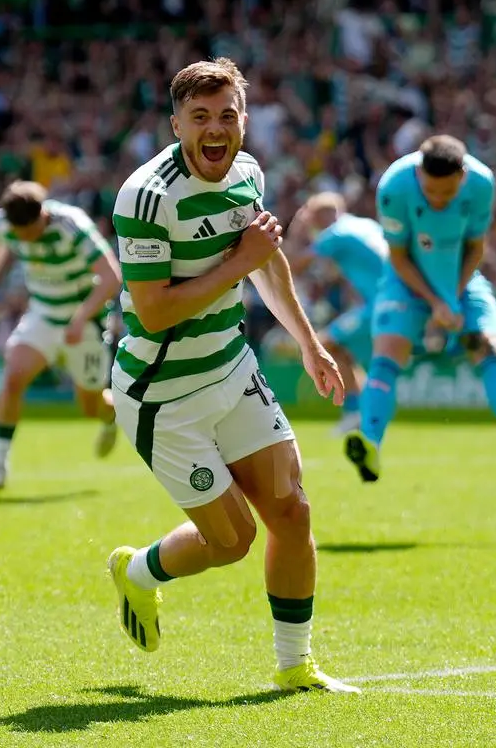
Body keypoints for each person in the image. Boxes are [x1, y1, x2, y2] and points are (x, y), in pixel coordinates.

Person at [106, 57, 359, 693]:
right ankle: (138, 571)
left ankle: (294, 666)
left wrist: (308, 343)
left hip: (233, 371)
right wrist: (241, 260)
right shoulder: (147, 195)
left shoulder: (248, 173)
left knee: (292, 513)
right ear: (176, 124)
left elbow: (266, 265)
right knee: (234, 540)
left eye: (227, 116)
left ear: (242, 121)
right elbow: (157, 309)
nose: (215, 129)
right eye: (200, 118)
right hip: (163, 399)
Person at [345, 134, 496, 482]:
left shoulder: (482, 183)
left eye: (447, 192)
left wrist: (452, 297)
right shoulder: (393, 186)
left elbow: (476, 246)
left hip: (462, 277)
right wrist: (434, 303)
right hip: (406, 281)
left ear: (462, 176)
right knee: (386, 355)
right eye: (431, 192)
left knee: (490, 350)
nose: (439, 200)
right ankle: (369, 445)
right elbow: (398, 257)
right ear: (419, 174)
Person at [0, 180, 122, 489]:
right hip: (43, 314)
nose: (25, 240)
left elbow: (111, 276)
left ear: (42, 215)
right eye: (19, 235)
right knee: (13, 378)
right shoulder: (7, 222)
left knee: (90, 405)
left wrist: (81, 318)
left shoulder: (72, 226)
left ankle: (110, 417)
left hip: (85, 322)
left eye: (30, 232)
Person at [285, 192, 389, 434]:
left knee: (323, 345)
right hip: (389, 301)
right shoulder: (364, 224)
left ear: (321, 215)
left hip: (378, 305)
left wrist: (297, 230)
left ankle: (355, 409)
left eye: (311, 217)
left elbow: (293, 267)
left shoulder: (335, 234)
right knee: (342, 350)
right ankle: (362, 411)